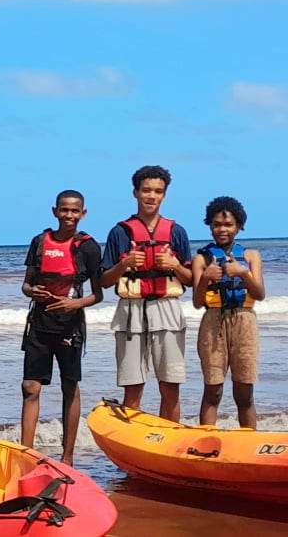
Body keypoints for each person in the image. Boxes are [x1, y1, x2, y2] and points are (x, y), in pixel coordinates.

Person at [99, 166, 194, 422]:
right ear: (135, 193)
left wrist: (174, 266)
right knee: (133, 385)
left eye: (158, 191)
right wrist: (124, 264)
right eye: (146, 190)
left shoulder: (176, 232)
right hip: (131, 310)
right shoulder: (120, 232)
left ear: (164, 195)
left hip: (167, 309)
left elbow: (191, 280)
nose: (152, 196)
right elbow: (104, 281)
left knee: (170, 385)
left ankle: (170, 436)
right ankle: (132, 436)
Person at [19, 191, 103, 462]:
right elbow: (26, 284)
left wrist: (73, 304)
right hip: (39, 325)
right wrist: (32, 291)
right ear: (55, 211)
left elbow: (98, 294)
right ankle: (26, 454)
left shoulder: (89, 248)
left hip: (70, 327)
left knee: (69, 386)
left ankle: (67, 457)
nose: (69, 215)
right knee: (30, 387)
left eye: (74, 211)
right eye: (64, 210)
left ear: (83, 214)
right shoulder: (39, 242)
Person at [192, 196, 265, 428]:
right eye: (216, 225)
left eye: (228, 225)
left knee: (244, 391)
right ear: (209, 226)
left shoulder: (251, 256)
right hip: (213, 321)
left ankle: (248, 438)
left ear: (239, 226)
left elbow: (260, 294)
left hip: (245, 321)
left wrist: (242, 273)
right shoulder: (201, 259)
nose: (222, 229)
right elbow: (197, 302)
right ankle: (207, 436)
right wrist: (205, 278)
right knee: (213, 389)